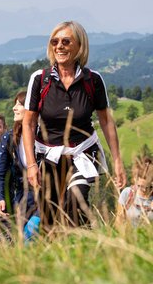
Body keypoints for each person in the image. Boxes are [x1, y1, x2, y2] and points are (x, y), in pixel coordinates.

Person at [23, 21, 126, 230]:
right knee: (49, 216)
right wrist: (32, 164)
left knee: (75, 200)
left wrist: (117, 161)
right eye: (55, 41)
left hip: (83, 152)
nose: (59, 46)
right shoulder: (39, 79)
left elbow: (106, 120)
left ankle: (85, 244)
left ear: (80, 46)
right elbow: (28, 122)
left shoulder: (93, 80)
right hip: (48, 155)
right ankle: (72, 244)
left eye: (66, 41)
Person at [0, 91, 36, 228]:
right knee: (22, 241)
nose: (14, 108)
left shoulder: (43, 135)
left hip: (45, 196)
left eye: (20, 104)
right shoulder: (9, 138)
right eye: (15, 104)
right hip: (22, 199)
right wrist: (0, 198)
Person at [118, 156, 153, 227]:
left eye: (148, 187)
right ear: (135, 179)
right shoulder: (127, 193)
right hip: (129, 236)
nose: (144, 190)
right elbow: (118, 221)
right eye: (140, 186)